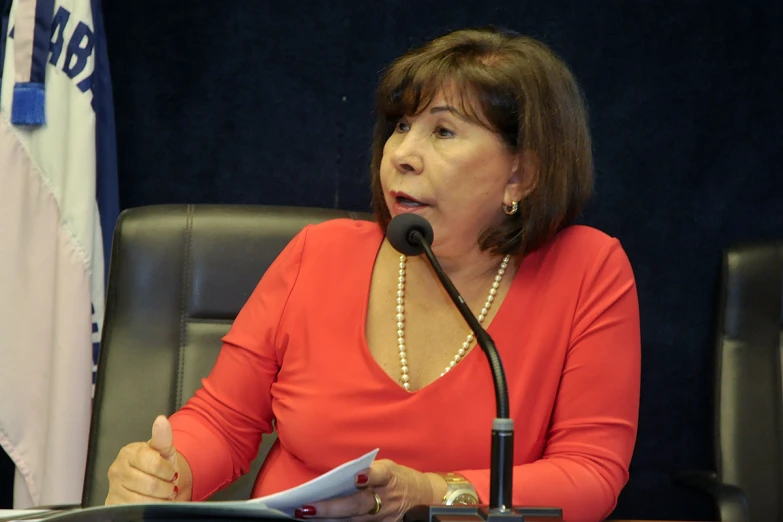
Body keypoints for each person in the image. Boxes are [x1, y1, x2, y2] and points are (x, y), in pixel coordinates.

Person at [104, 27, 641, 522]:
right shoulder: (320, 253)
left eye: (444, 131)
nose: (402, 154)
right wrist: (168, 474)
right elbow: (222, 423)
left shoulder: (587, 270)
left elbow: (590, 474)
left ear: (521, 175)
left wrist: (432, 492)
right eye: (402, 126)